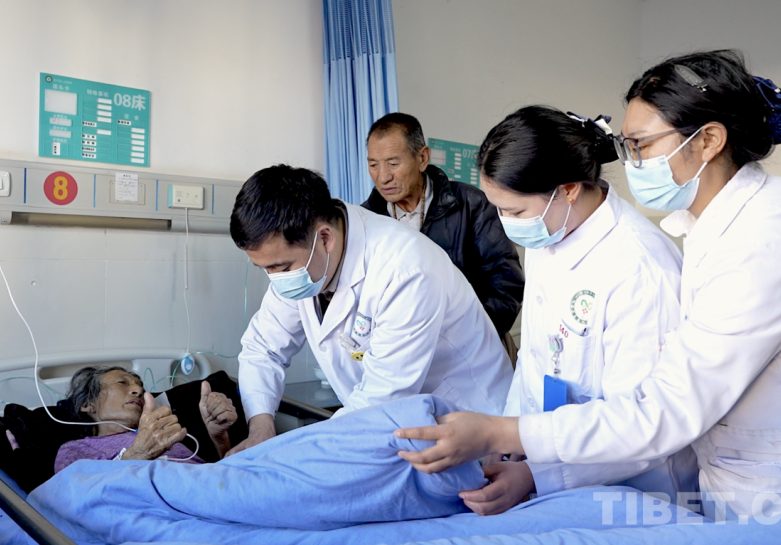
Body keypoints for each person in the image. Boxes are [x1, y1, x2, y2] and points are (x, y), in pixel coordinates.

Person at [395, 50, 781, 522]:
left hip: (777, 488)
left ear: (708, 140)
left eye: (640, 145)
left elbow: (661, 413)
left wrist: (503, 435)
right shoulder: (705, 227)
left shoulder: (759, 246)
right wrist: (516, 447)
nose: (630, 163)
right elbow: (538, 361)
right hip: (721, 472)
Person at [430, 105, 696, 516]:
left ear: (568, 189)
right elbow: (535, 361)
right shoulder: (551, 234)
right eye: (498, 208)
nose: (505, 223)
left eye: (515, 212)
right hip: (551, 468)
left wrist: (537, 474)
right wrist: (508, 445)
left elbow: (642, 424)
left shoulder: (639, 267)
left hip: (635, 492)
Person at [229, 164, 512, 454]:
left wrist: (287, 455)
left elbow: (383, 396)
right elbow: (263, 348)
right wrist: (260, 429)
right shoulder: (305, 262)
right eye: (265, 269)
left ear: (325, 238)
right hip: (400, 425)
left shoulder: (405, 269)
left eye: (282, 268)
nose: (277, 279)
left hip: (472, 423)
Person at [362, 113, 525, 347]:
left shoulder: (471, 204)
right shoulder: (366, 220)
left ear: (422, 158)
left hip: (474, 347)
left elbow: (506, 282)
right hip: (401, 350)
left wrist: (461, 337)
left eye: (393, 164)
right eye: (373, 165)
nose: (383, 177)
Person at [54, 366, 238, 472]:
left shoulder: (167, 438)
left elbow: (222, 480)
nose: (138, 391)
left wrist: (220, 438)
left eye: (141, 388)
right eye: (122, 382)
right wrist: (138, 454)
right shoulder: (76, 450)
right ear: (88, 404)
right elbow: (74, 494)